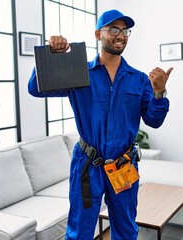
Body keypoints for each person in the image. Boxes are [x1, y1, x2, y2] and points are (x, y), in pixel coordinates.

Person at [28, 9, 173, 240]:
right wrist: (53, 55)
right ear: (98, 34)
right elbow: (36, 88)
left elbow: (154, 120)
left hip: (124, 166)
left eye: (125, 30)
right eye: (113, 29)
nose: (121, 35)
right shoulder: (79, 72)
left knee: (126, 230)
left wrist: (159, 93)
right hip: (87, 165)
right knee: (80, 231)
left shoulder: (139, 79)